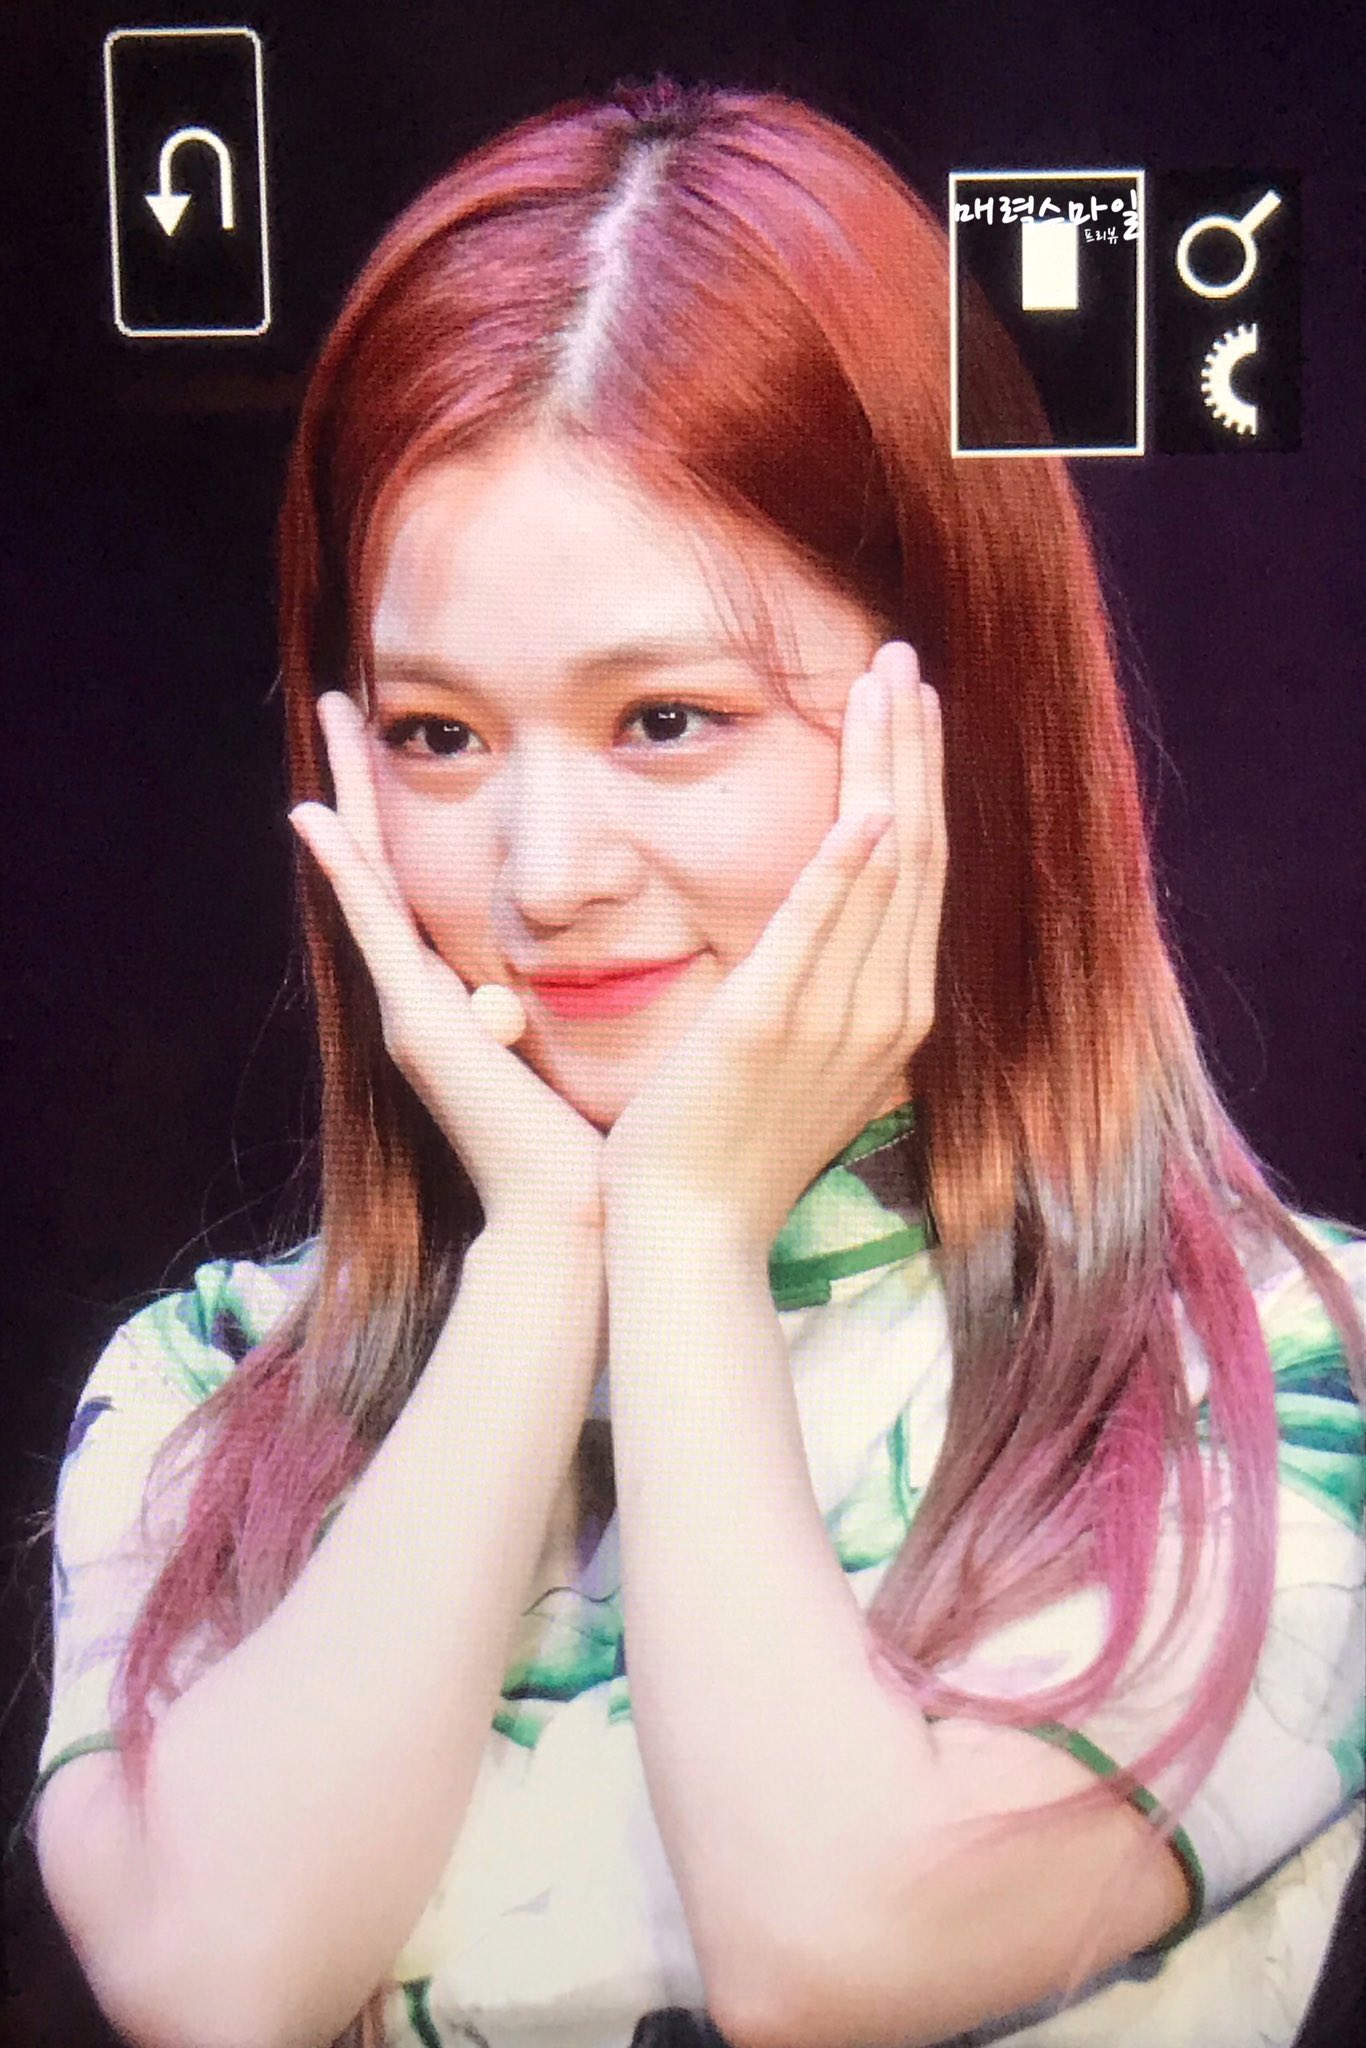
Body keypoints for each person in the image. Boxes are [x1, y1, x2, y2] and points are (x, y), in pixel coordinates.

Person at [23, 76, 1365, 2048]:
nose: (544, 876)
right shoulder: (210, 1389)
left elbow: (834, 1951)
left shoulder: (1279, 1369)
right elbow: (218, 1985)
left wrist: (682, 1234)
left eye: (665, 719)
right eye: (436, 737)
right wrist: (544, 1258)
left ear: (960, 715)